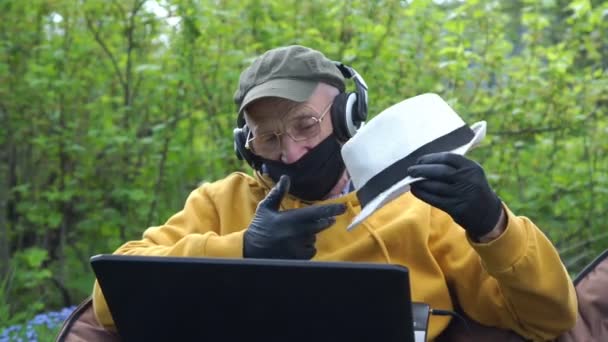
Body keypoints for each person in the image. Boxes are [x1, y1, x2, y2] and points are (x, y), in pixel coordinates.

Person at [91, 45, 577, 341]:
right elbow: (110, 299)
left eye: (305, 125)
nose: (293, 150)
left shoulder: (418, 205)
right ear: (247, 145)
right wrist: (244, 250)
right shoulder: (220, 202)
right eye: (269, 137)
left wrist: (493, 224)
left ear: (348, 117)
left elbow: (548, 318)